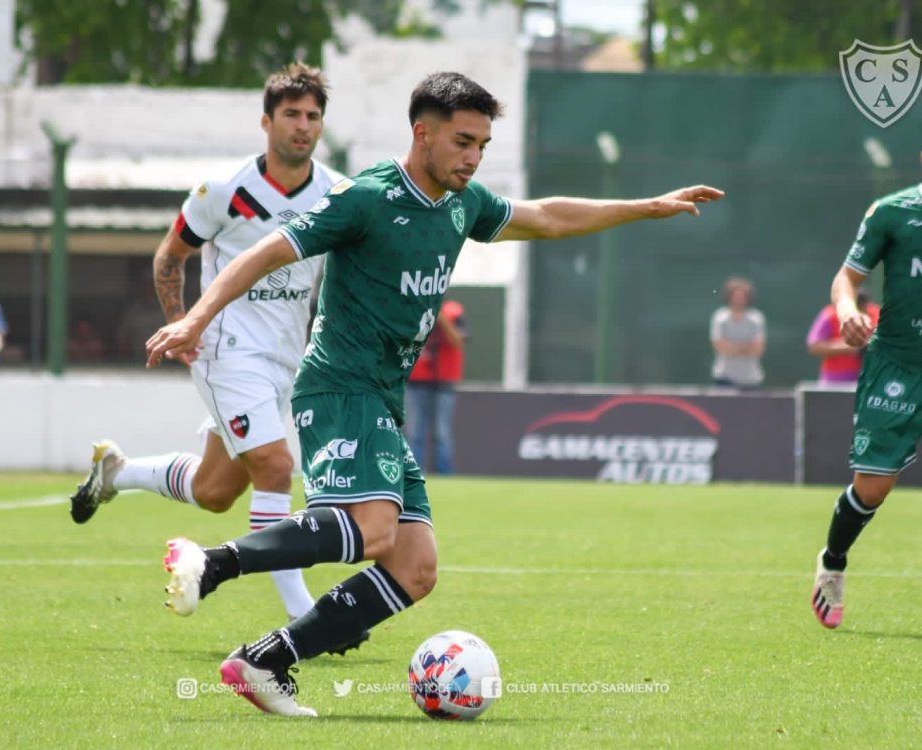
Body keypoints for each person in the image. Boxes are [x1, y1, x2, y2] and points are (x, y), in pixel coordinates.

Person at [145, 72, 723, 716]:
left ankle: (264, 660)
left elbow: (546, 216)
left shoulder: (462, 203)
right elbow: (265, 253)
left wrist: (646, 207)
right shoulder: (367, 196)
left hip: (382, 398)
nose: (473, 157)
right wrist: (195, 318)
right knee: (372, 531)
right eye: (462, 141)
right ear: (423, 134)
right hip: (340, 386)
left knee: (415, 568)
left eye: (482, 145)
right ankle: (213, 563)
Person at [69, 63, 357, 635]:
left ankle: (117, 472)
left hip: (285, 359)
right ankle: (304, 613)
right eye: (291, 114)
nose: (303, 125)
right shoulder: (224, 190)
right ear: (266, 121)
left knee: (217, 490)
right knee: (276, 466)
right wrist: (182, 324)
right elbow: (170, 256)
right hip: (227, 351)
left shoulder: (338, 193)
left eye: (312, 116)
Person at [811, 176, 922, 629]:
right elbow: (847, 278)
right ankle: (833, 562)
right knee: (873, 488)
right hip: (897, 363)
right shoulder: (892, 211)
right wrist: (847, 311)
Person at [405, 299, 467, 474]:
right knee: (415, 432)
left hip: (443, 383)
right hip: (415, 382)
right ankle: (414, 472)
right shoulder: (413, 310)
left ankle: (444, 471)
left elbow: (458, 341)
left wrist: (441, 318)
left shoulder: (453, 313)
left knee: (441, 432)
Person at [806, 291, 880, 385]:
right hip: (836, 379)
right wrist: (850, 347)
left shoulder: (877, 313)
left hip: (871, 377)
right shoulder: (830, 314)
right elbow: (814, 346)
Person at [709, 276, 765, 388]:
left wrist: (730, 348)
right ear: (729, 297)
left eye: (742, 297)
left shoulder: (756, 318)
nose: (738, 300)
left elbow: (757, 350)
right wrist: (746, 348)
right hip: (724, 378)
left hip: (751, 380)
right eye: (735, 296)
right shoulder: (719, 317)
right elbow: (719, 347)